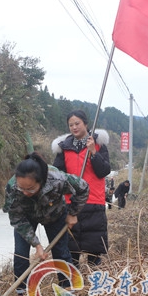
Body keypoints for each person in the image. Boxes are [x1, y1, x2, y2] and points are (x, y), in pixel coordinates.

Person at [3, 152, 89, 295]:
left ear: (41, 181)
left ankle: (67, 287)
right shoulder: (12, 188)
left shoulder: (57, 179)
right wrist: (36, 244)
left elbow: (83, 187)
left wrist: (73, 213)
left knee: (61, 252)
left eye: (30, 188)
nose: (25, 192)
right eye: (21, 188)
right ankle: (22, 292)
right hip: (26, 216)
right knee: (20, 253)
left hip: (55, 214)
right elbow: (16, 218)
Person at [52, 110, 111, 267]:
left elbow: (104, 171)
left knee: (94, 249)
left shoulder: (98, 144)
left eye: (77, 123)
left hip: (94, 201)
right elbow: (57, 176)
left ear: (85, 124)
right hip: (71, 202)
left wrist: (93, 152)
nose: (74, 127)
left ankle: (93, 278)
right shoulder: (63, 148)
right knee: (72, 249)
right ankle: (74, 279)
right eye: (71, 125)